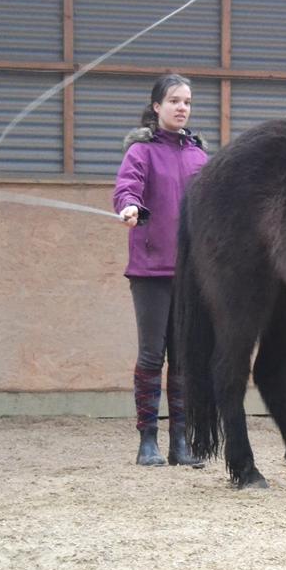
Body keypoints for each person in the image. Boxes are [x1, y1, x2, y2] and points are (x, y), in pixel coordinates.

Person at [113, 73, 210, 467]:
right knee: (153, 355)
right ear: (157, 107)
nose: (182, 107)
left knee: (185, 358)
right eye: (174, 101)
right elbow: (127, 188)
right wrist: (130, 206)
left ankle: (181, 444)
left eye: (186, 101)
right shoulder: (141, 152)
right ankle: (147, 441)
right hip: (150, 271)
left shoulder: (200, 155)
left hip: (191, 273)